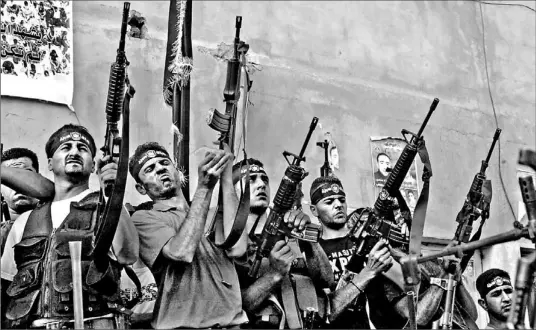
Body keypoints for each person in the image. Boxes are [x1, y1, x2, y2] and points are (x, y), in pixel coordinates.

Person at [1, 124, 139, 329]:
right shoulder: (25, 220)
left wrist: (112, 193)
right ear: (49, 163)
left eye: (82, 148)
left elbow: (128, 255)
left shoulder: (106, 208)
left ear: (93, 166)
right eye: (65, 147)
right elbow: (6, 284)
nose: (74, 151)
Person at [128, 142, 248, 329]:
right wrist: (204, 188)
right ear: (141, 188)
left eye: (164, 163)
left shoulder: (212, 213)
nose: (160, 169)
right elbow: (181, 252)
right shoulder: (144, 218)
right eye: (150, 169)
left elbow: (238, 248)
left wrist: (226, 175)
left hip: (231, 325)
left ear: (177, 172)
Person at [232, 158, 333, 329]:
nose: (261, 184)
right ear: (232, 191)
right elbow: (236, 306)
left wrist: (309, 240)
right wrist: (274, 274)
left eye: (265, 179)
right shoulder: (231, 245)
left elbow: (326, 281)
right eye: (251, 179)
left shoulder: (291, 231)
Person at [309, 176, 393, 328]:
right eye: (329, 202)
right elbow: (323, 307)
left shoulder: (366, 241)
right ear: (314, 210)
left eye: (342, 200)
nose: (338, 205)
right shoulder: (314, 251)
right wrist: (367, 272)